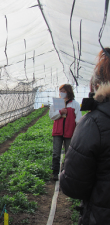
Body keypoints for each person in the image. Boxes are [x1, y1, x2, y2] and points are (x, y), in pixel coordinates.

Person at [60, 48, 110, 224]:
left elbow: (74, 185)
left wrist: (65, 175)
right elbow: (53, 115)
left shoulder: (94, 122)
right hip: (59, 130)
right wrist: (59, 112)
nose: (61, 95)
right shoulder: (59, 103)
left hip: (101, 215)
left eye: (63, 92)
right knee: (56, 151)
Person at [49, 84, 81, 181]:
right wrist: (60, 112)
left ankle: (65, 173)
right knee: (56, 153)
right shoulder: (56, 103)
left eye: (63, 91)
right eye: (60, 91)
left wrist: (77, 132)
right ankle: (55, 173)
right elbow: (51, 116)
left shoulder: (75, 104)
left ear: (69, 92)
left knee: (68, 154)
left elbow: (78, 119)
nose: (61, 93)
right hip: (57, 132)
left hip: (69, 132)